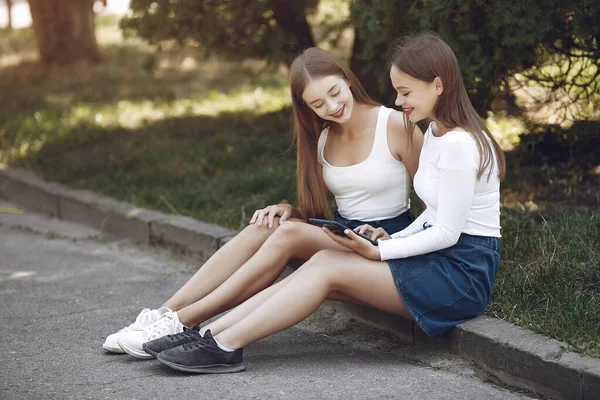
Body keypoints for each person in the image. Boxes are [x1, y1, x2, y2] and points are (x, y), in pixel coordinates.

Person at [147, 33, 506, 374]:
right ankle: (208, 334)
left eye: (405, 91)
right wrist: (389, 240)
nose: (398, 101)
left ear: (438, 85)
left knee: (326, 268)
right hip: (437, 260)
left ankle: (224, 345)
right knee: (323, 261)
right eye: (398, 91)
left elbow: (446, 231)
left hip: (461, 275)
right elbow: (434, 214)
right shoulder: (436, 133)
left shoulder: (460, 144)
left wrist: (380, 253)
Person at [103, 47, 423, 359]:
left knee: (286, 233)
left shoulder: (396, 124)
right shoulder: (323, 137)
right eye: (318, 103)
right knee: (267, 224)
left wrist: (399, 242)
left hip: (386, 240)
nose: (332, 106)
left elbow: (433, 204)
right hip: (344, 233)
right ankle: (163, 315)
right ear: (307, 108)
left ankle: (181, 322)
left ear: (346, 79)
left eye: (335, 92)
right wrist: (292, 211)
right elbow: (323, 211)